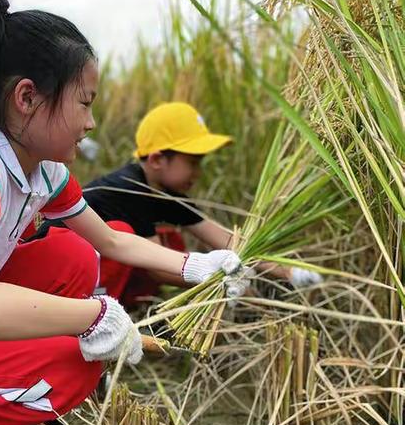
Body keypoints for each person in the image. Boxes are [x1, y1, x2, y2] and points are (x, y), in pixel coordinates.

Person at [0, 0, 247, 425]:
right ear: (27, 98)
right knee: (72, 366)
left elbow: (111, 243)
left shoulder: (44, 170)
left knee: (74, 256)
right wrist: (92, 316)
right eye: (85, 102)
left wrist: (196, 267)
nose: (91, 123)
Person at [39, 102, 323, 305]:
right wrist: (219, 282)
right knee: (129, 234)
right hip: (52, 273)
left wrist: (289, 272)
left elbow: (227, 240)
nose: (198, 173)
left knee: (171, 243)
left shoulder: (165, 191)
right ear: (158, 160)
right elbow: (157, 267)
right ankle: (87, 322)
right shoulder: (132, 189)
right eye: (192, 162)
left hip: (97, 266)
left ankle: (126, 307)